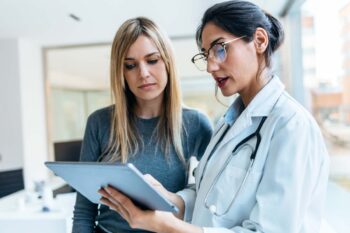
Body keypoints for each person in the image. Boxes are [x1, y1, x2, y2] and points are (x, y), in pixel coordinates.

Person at [98, 1, 330, 233]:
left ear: (259, 41)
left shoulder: (290, 126)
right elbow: (206, 198)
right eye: (206, 54)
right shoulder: (228, 124)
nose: (210, 66)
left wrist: (165, 225)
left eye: (220, 48)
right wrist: (169, 199)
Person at [72, 17, 213, 233]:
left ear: (167, 62)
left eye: (152, 60)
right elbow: (84, 211)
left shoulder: (195, 123)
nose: (143, 73)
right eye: (130, 65)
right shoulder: (99, 123)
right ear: (121, 72)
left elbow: (212, 195)